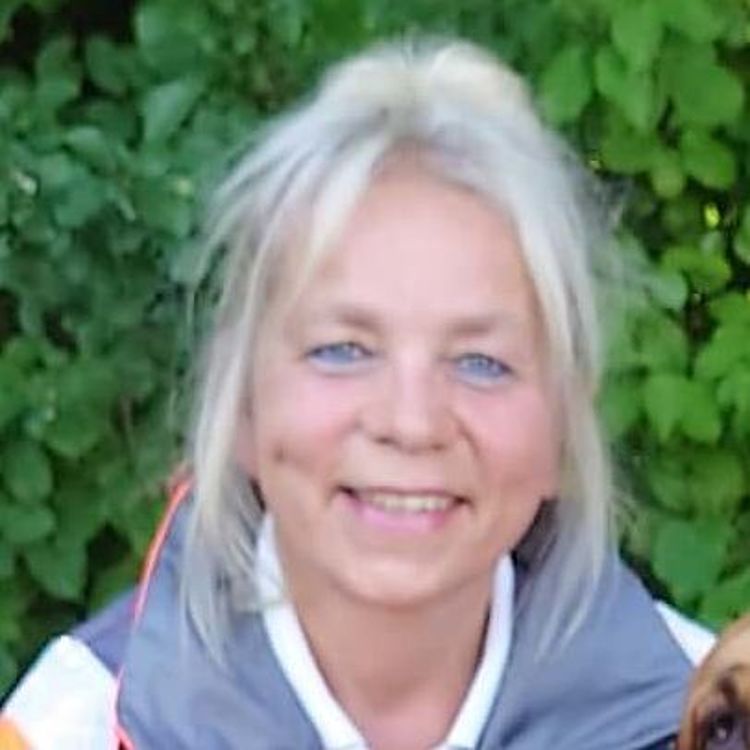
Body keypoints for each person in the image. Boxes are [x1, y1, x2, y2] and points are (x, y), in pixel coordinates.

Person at [0, 37, 714, 750]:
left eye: (481, 363)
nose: (411, 422)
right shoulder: (70, 728)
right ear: (242, 404)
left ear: (563, 424)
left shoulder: (707, 715)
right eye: (342, 350)